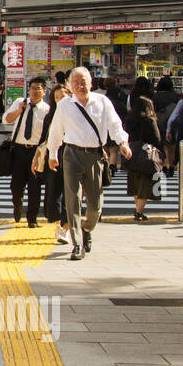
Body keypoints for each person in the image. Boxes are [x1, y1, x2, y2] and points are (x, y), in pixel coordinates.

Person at [46, 66, 132, 260]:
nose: (80, 85)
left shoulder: (102, 102)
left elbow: (115, 125)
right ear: (70, 85)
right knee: (73, 200)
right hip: (71, 155)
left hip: (95, 156)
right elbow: (56, 131)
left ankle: (87, 228)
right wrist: (53, 153)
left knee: (95, 205)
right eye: (75, 82)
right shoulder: (65, 105)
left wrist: (123, 143)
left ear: (91, 82)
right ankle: (77, 244)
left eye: (83, 81)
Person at [3, 77, 49, 227]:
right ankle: (18, 206)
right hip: (19, 149)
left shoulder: (47, 110)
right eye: (33, 88)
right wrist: (19, 111)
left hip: (36, 152)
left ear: (44, 91)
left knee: (35, 186)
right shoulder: (20, 103)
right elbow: (6, 120)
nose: (35, 91)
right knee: (16, 185)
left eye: (38, 88)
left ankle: (32, 218)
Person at [38, 85, 72, 243]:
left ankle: (65, 227)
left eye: (63, 97)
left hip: (72, 156)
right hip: (54, 157)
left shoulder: (75, 114)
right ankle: (59, 224)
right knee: (53, 193)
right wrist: (36, 157)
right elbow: (43, 140)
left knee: (69, 194)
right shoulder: (50, 116)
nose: (60, 100)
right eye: (56, 97)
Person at [124, 95, 162, 221]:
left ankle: (138, 209)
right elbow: (156, 139)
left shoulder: (130, 120)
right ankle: (139, 212)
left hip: (132, 153)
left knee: (135, 184)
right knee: (145, 184)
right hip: (146, 154)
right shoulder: (150, 121)